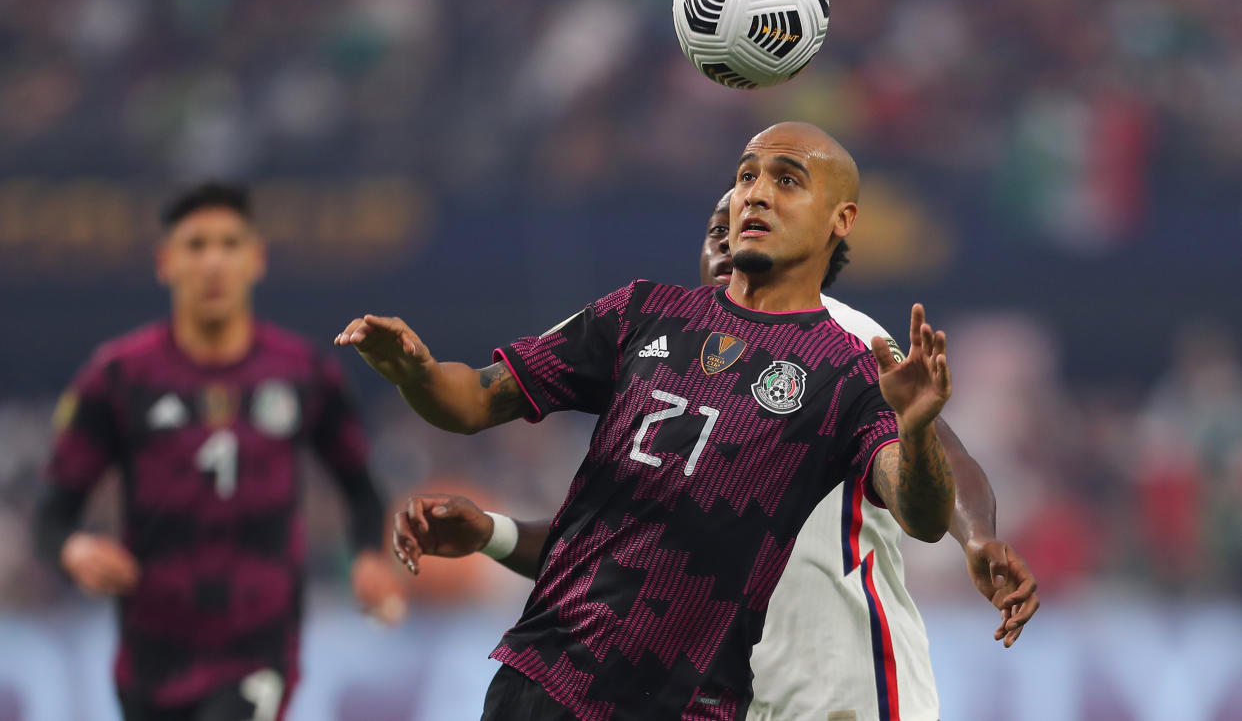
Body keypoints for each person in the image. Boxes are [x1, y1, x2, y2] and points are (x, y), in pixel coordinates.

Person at [337, 121, 958, 720]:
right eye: (746, 177)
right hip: (549, 675)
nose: (758, 193)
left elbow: (923, 516)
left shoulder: (848, 370)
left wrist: (919, 428)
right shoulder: (642, 314)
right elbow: (472, 400)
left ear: (840, 221)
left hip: (692, 703)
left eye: (787, 180)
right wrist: (414, 372)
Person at [33, 182, 408, 721]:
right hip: (150, 654)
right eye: (196, 245)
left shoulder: (304, 373)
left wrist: (370, 557)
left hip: (260, 646)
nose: (213, 262)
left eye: (230, 245)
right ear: (165, 262)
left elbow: (361, 488)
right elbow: (52, 513)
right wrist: (75, 552)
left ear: (256, 260)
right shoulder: (117, 376)